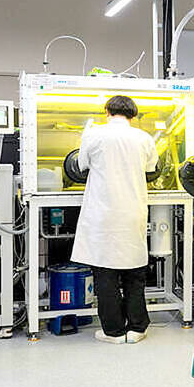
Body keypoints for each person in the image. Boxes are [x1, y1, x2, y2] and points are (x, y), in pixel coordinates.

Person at [71, 95, 158, 345]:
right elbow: (151, 169)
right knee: (134, 273)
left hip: (103, 214)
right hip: (132, 212)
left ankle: (113, 331)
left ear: (107, 111)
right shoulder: (144, 138)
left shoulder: (94, 135)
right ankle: (137, 328)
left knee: (105, 274)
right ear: (133, 115)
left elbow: (80, 165)